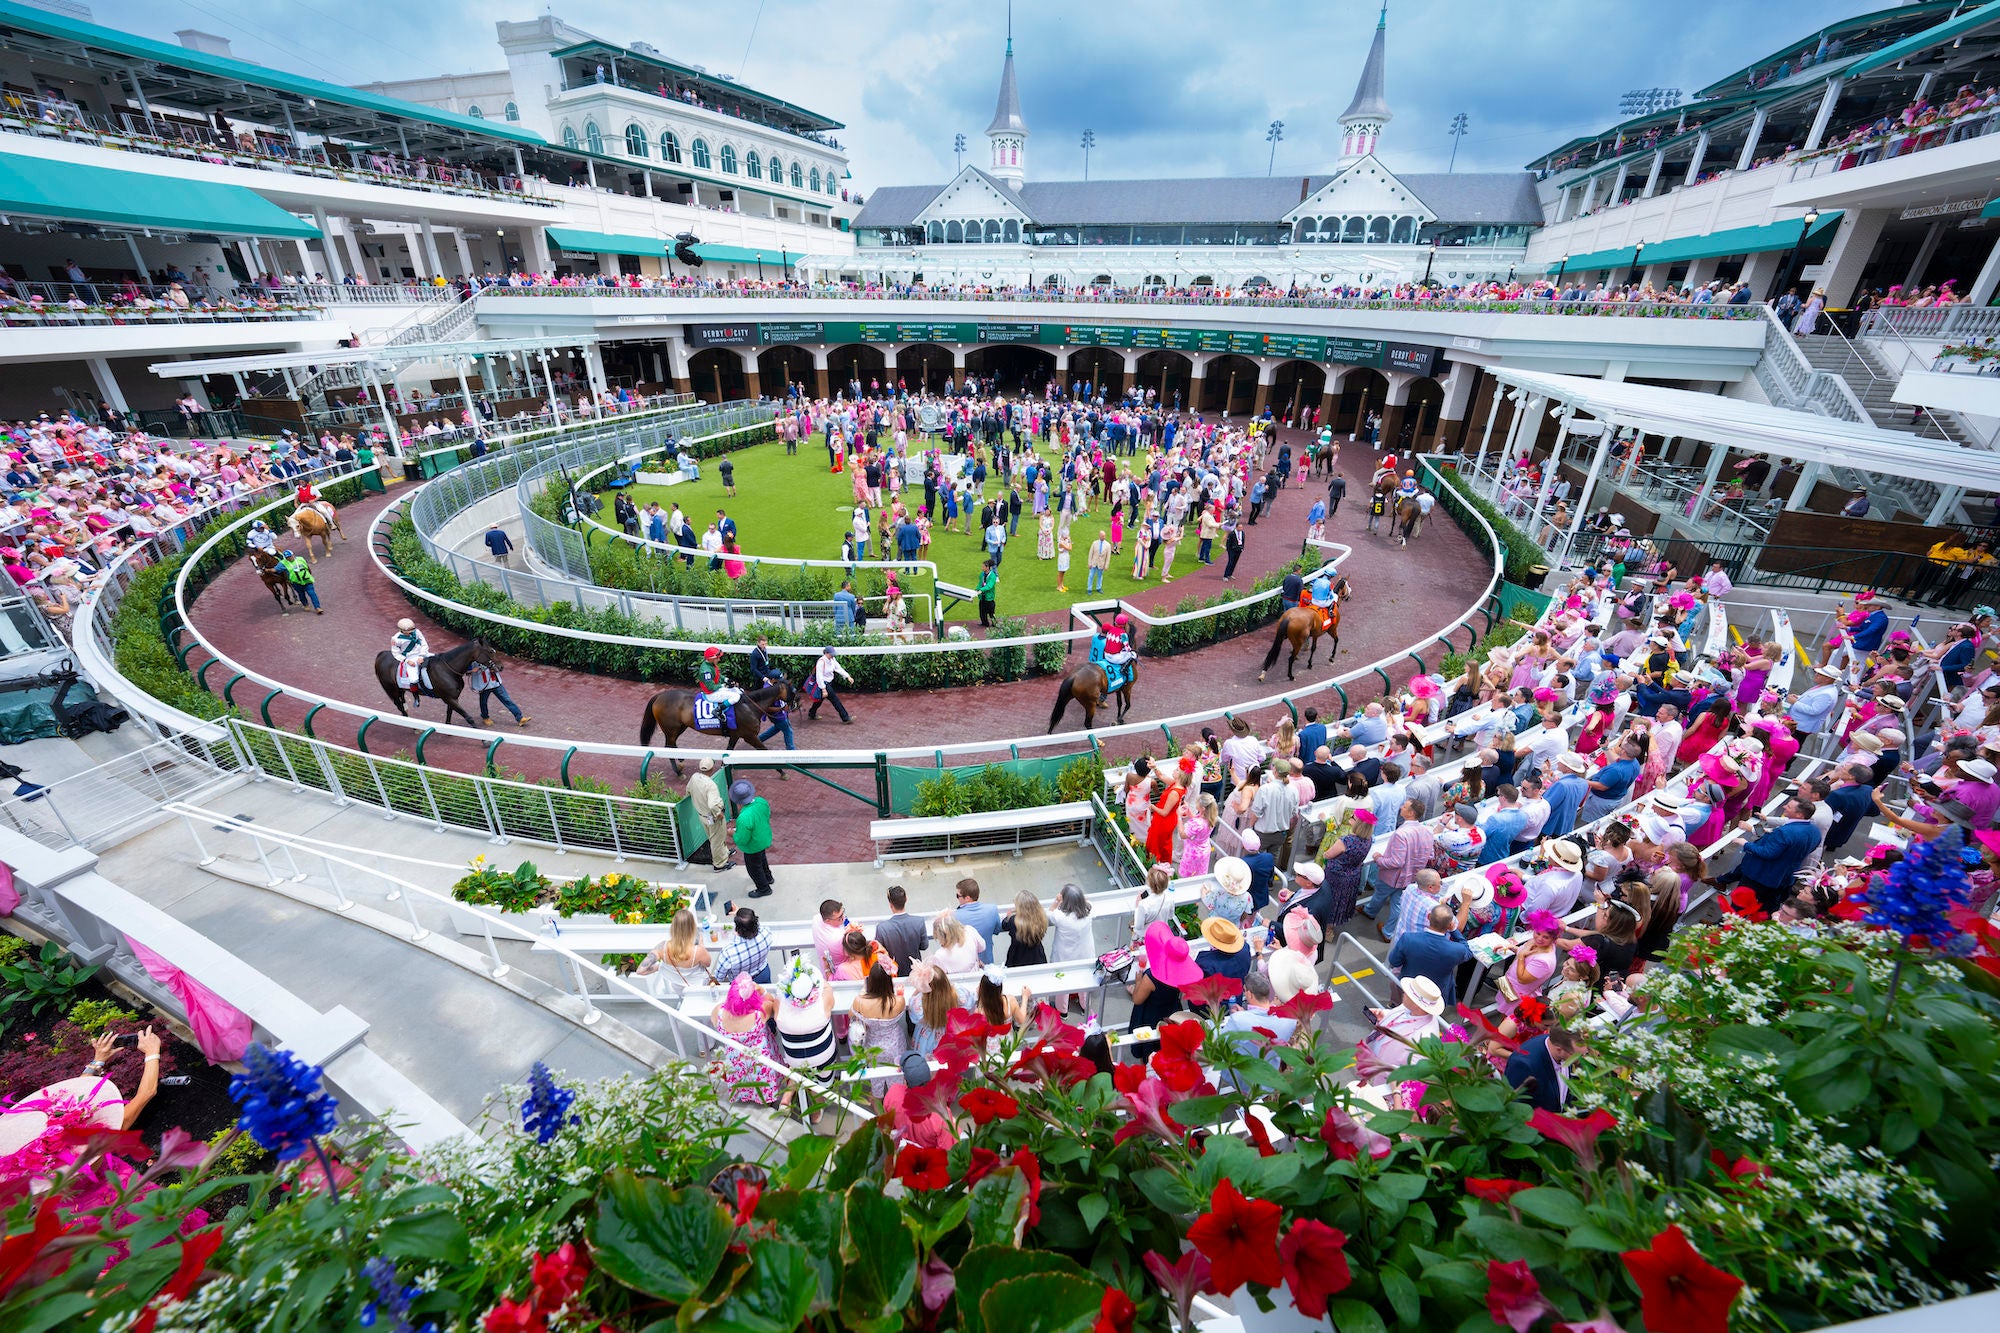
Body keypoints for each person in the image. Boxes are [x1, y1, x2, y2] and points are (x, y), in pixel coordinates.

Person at [773, 958, 838, 1125]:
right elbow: (828, 988)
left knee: (795, 1067)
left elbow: (778, 996)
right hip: (822, 1055)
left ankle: (787, 1096)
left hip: (794, 1056)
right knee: (820, 1075)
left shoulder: (780, 1009)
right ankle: (816, 1107)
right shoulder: (823, 1004)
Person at [1385, 898, 1475, 1009]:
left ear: (1428, 917)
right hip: (1434, 993)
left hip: (1410, 986)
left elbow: (1394, 961)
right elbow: (1468, 951)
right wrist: (1454, 931)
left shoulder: (1408, 938)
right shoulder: (1456, 950)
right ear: (1450, 924)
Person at [709, 975, 783, 1107]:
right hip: (759, 1058)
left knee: (741, 1076)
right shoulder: (759, 1013)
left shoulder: (718, 1013)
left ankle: (744, 1095)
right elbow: (771, 1001)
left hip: (735, 1059)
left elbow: (715, 1021)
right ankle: (767, 1099)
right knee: (762, 1078)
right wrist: (761, 990)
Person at [637, 909, 714, 999]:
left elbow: (640, 971)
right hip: (699, 989)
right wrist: (701, 945)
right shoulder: (698, 951)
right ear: (692, 928)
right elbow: (707, 964)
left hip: (680, 990)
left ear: (673, 927)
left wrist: (661, 967)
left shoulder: (663, 947)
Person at [1504, 1028, 1583, 1113]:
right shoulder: (1523, 1065)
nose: (1582, 1059)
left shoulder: (1562, 1043)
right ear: (1559, 1050)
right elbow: (1516, 1106)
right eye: (1577, 1056)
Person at [730, 779, 775, 898]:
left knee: (754, 868)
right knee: (762, 860)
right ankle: (768, 878)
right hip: (763, 838)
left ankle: (764, 888)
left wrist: (733, 834)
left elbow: (742, 839)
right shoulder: (761, 802)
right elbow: (767, 815)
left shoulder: (744, 817)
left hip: (752, 846)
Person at [686, 758, 734, 870]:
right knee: (716, 840)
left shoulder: (694, 777)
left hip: (702, 816)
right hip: (713, 817)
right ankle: (720, 864)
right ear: (712, 769)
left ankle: (724, 853)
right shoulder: (710, 784)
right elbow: (713, 804)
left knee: (714, 838)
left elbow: (688, 790)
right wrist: (719, 813)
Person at [875, 884, 928, 973]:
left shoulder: (882, 928)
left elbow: (879, 954)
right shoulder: (919, 922)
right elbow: (924, 946)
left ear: (890, 905)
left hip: (893, 974)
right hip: (915, 972)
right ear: (906, 899)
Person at [714, 907, 773, 985]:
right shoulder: (766, 933)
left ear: (737, 930)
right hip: (763, 975)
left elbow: (719, 978)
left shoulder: (728, 953)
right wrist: (742, 916)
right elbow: (758, 927)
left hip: (741, 985)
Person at [467, 656, 528, 727]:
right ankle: (485, 717)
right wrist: (472, 670)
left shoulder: (489, 654)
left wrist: (495, 669)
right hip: (483, 685)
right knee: (483, 702)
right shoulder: (472, 659)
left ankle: (520, 718)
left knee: (506, 699)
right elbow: (467, 672)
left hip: (495, 682)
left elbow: (498, 666)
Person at [996, 890, 1050, 967]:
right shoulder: (1041, 918)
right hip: (1037, 956)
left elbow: (1004, 925)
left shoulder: (1013, 921)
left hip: (1017, 957)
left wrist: (1009, 915)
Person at [953, 877, 1002, 960]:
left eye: (958, 895)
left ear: (968, 898)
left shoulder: (954, 916)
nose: (957, 897)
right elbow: (997, 930)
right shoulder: (992, 910)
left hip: (966, 964)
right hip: (987, 962)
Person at [695, 646, 743, 729]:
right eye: (717, 658)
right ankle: (718, 710)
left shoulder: (711, 664)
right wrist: (724, 685)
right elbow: (711, 687)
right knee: (736, 696)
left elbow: (718, 675)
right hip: (711, 694)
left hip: (716, 689)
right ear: (711, 659)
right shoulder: (706, 671)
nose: (719, 660)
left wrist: (727, 680)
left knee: (738, 690)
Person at [806, 647, 854, 723]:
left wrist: (847, 676)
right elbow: (819, 677)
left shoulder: (832, 660)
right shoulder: (821, 662)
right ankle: (845, 718)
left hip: (829, 683)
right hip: (823, 684)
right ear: (826, 653)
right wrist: (823, 689)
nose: (833, 656)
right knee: (835, 700)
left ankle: (812, 713)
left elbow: (838, 668)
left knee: (819, 700)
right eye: (831, 654)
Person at [280, 548, 320, 614]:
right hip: (296, 583)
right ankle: (305, 604)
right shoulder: (283, 563)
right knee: (301, 594)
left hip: (306, 580)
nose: (289, 558)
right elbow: (275, 569)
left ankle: (317, 607)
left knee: (312, 593)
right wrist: (268, 570)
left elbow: (307, 567)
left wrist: (309, 574)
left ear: (293, 555)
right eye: (287, 557)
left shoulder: (300, 559)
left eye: (290, 556)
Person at [977, 558, 998, 627]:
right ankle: (984, 623)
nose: (982, 568)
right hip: (982, 597)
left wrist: (982, 590)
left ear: (987, 567)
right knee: (982, 612)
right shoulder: (982, 574)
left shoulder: (992, 576)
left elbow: (989, 586)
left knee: (991, 613)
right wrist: (976, 590)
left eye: (983, 566)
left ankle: (994, 624)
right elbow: (980, 583)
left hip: (989, 598)